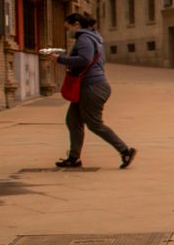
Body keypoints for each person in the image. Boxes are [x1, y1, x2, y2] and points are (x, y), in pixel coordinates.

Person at [51, 12, 136, 169]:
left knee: (94, 124)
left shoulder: (84, 38)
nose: (67, 31)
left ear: (76, 24)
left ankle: (125, 150)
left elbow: (85, 59)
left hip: (92, 87)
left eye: (68, 27)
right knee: (73, 120)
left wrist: (60, 59)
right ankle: (73, 158)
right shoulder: (93, 38)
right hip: (88, 87)